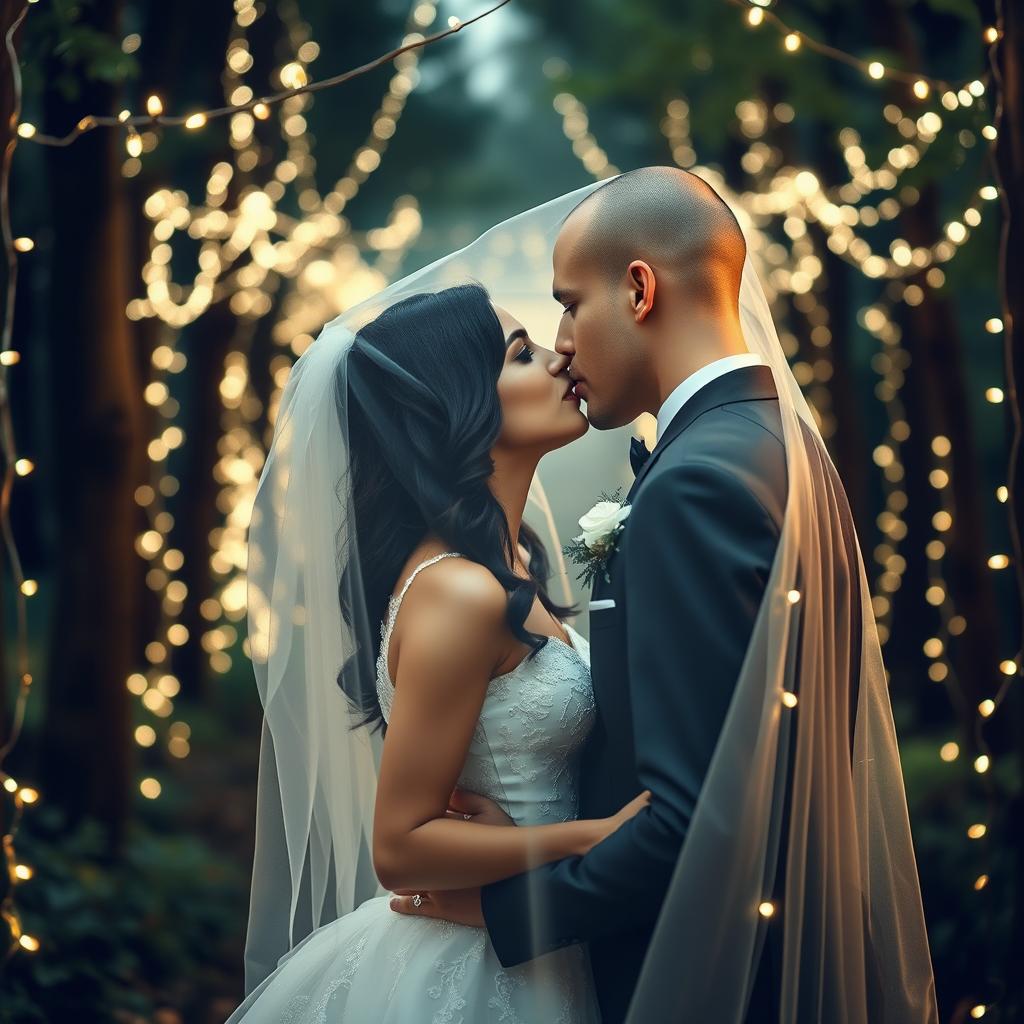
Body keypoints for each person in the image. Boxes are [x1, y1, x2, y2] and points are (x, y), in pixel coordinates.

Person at [392, 168, 940, 1024]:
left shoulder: (694, 486)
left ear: (639, 289)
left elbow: (694, 820)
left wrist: (512, 906)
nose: (564, 341)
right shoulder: (780, 442)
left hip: (704, 975)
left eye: (570, 305)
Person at [227, 282, 647, 1023]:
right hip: (476, 968)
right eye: (522, 354)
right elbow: (402, 846)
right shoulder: (460, 591)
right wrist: (594, 837)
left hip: (539, 936)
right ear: (457, 408)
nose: (560, 357)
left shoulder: (512, 562)